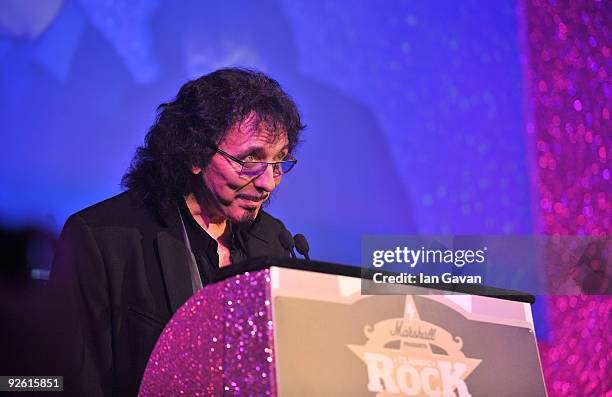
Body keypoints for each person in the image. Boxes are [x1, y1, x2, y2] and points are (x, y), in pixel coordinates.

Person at [50, 68, 305, 396]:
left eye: (278, 162)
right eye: (249, 160)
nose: (268, 183)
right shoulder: (102, 239)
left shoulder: (273, 240)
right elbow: (74, 381)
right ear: (196, 155)